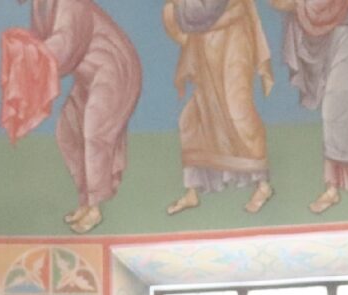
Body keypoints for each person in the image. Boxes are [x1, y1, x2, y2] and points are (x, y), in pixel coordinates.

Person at [22, 0, 140, 233]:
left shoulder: (71, 4)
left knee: (95, 135)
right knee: (68, 132)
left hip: (114, 68)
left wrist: (29, 54)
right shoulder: (40, 6)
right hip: (88, 76)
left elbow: (64, 46)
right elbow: (40, 41)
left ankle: (95, 208)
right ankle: (85, 201)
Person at [274, 0, 348, 215]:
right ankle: (334, 187)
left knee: (336, 109)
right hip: (334, 33)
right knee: (344, 109)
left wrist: (299, 5)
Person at [163, 0, 273, 215]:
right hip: (204, 43)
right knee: (197, 115)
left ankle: (262, 185)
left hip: (234, 38)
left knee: (237, 110)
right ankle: (192, 190)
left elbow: (206, 11)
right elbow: (186, 16)